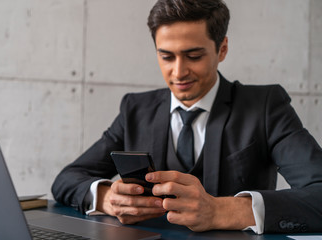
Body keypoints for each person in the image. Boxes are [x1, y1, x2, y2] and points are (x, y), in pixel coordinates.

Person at [52, 0, 322, 234]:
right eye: (166, 56)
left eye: (193, 56)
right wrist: (106, 197)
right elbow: (67, 178)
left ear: (222, 49)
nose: (179, 72)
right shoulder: (135, 109)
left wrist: (222, 211)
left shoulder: (266, 107)